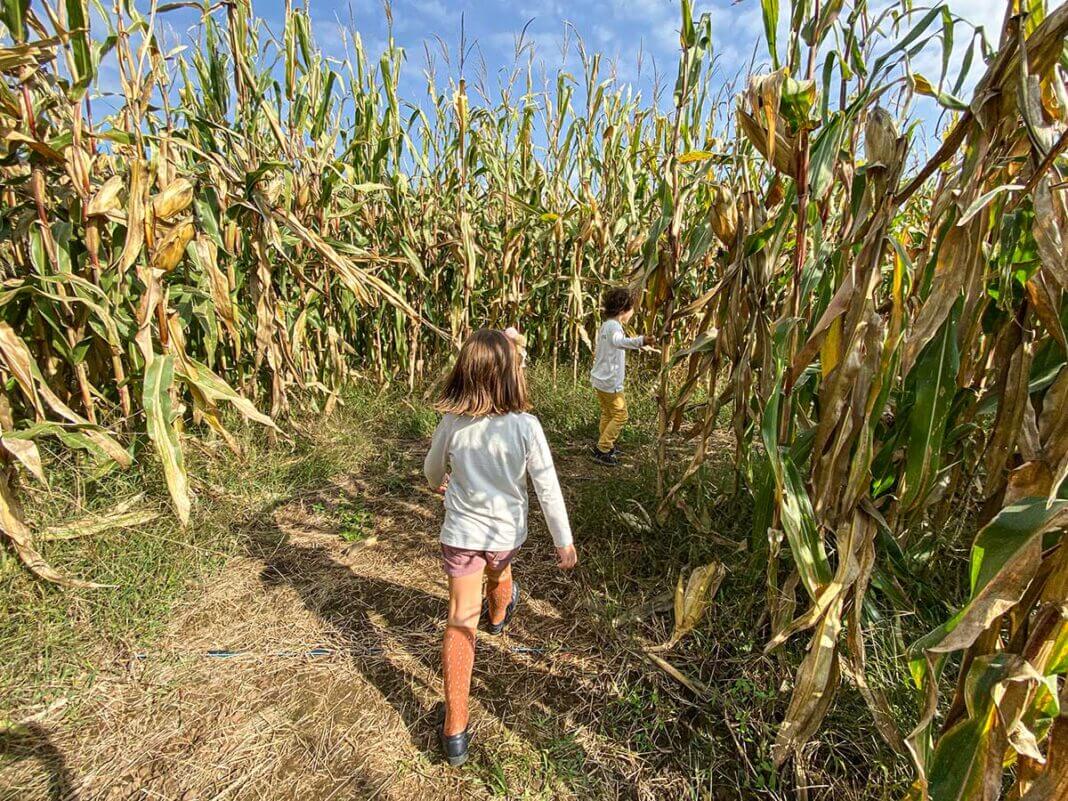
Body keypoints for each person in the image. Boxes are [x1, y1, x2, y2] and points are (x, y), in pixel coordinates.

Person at [423, 328, 577, 767]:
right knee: (500, 573)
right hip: (505, 536)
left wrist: (440, 484)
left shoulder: (452, 422)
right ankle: (498, 616)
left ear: (464, 373)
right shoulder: (526, 426)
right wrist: (563, 540)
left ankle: (455, 727)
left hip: (460, 536)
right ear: (513, 375)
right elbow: (547, 487)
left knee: (458, 618)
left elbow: (433, 470)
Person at [590, 287, 652, 466]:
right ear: (624, 310)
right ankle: (602, 449)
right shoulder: (614, 327)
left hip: (600, 380)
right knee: (620, 415)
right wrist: (641, 341)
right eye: (632, 309)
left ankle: (605, 444)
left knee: (608, 413)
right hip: (610, 382)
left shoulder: (606, 325)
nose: (633, 313)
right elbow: (618, 342)